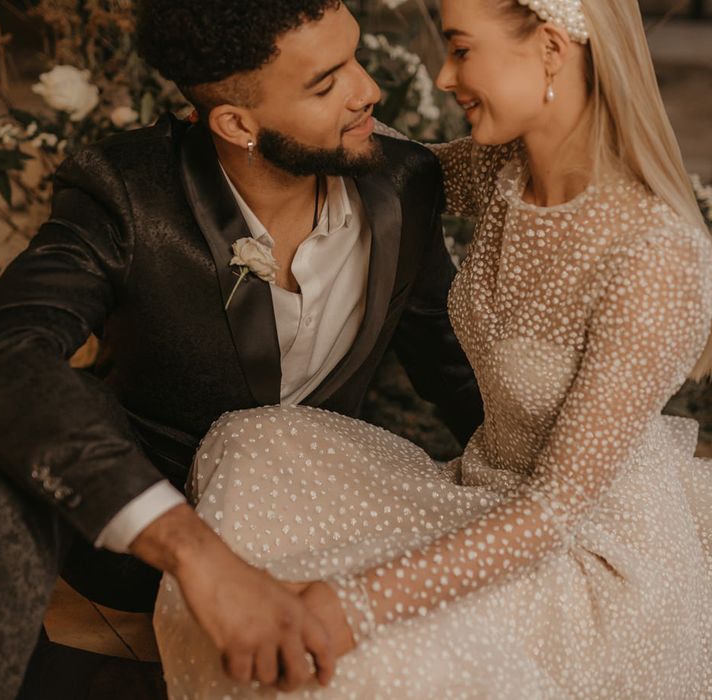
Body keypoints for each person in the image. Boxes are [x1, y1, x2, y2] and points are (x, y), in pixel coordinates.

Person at [154, 0, 712, 697]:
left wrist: (347, 605)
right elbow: (378, 152)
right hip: (477, 492)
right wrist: (248, 96)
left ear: (549, 48)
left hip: (582, 555)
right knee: (254, 443)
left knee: (352, 660)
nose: (445, 78)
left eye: (460, 49)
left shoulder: (655, 258)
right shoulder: (506, 171)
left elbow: (552, 514)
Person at [0, 1, 485, 697]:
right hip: (158, 538)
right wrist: (197, 557)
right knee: (9, 468)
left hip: (320, 518)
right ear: (236, 124)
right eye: (326, 84)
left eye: (356, 56)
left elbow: (447, 356)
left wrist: (551, 477)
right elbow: (2, 352)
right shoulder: (127, 193)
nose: (368, 92)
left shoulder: (400, 182)